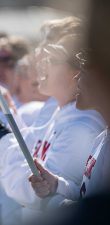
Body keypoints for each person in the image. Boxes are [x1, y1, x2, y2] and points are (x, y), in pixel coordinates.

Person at [0, 34, 106, 218]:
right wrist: (56, 184)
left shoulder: (84, 128)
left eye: (52, 59)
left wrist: (5, 138)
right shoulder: (55, 113)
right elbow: (8, 173)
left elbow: (31, 194)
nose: (40, 65)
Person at [28, 49, 110, 212]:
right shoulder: (103, 137)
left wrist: (54, 203)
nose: (76, 77)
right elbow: (88, 196)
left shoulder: (86, 131)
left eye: (84, 71)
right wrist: (57, 185)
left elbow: (100, 213)